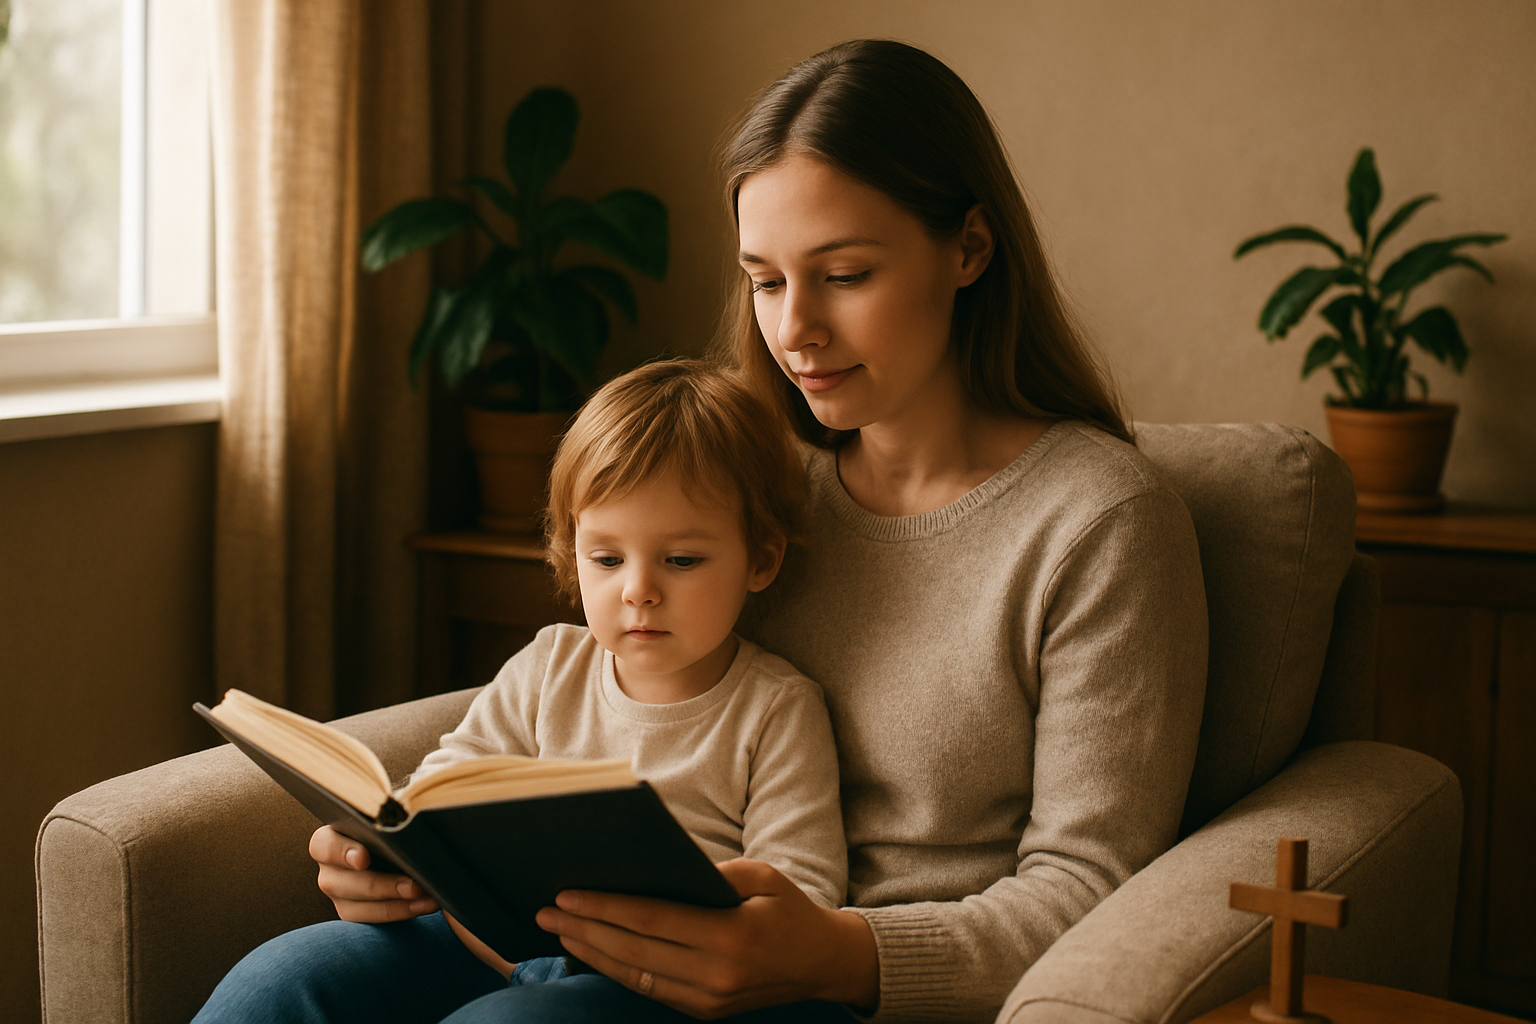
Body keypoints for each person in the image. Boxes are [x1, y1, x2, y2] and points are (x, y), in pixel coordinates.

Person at [218, 37, 1209, 1024]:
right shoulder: (750, 479)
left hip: (827, 988)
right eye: (767, 281)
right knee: (282, 983)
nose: (795, 331)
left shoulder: (1099, 522)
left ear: (970, 249)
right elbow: (605, 699)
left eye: (845, 275)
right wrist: (402, 853)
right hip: (589, 937)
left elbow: (1092, 891)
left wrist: (838, 951)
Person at [192, 360, 848, 1022]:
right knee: (279, 977)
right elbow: (445, 789)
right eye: (607, 558)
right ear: (572, 551)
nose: (638, 590)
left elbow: (805, 898)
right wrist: (388, 846)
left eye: (681, 560)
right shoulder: (548, 665)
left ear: (760, 559)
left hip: (650, 986)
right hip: (482, 946)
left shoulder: (776, 708)